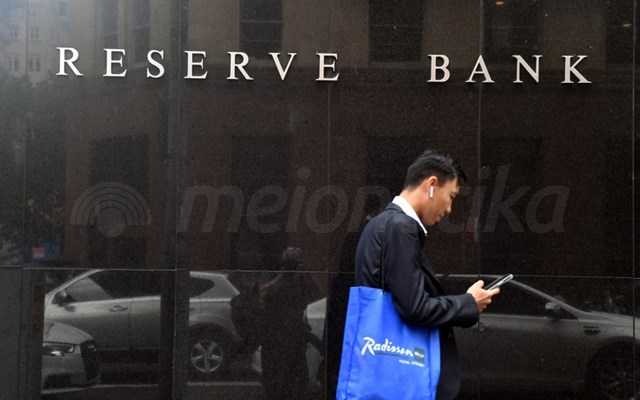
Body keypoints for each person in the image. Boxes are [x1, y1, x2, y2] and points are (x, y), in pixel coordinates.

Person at [354, 149, 500, 400]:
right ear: (432, 185)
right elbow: (414, 307)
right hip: (402, 376)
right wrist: (468, 303)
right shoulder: (401, 228)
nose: (450, 209)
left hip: (386, 371)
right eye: (451, 196)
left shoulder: (381, 224)